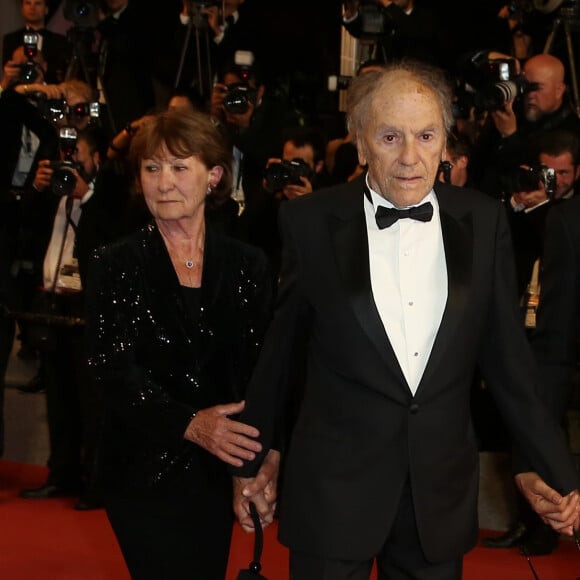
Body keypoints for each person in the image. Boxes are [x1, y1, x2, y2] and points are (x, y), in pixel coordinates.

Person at [230, 60, 580, 579]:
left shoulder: (483, 222)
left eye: (426, 135)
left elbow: (509, 364)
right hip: (333, 490)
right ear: (361, 140)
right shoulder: (309, 221)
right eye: (390, 136)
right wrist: (253, 461)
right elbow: (281, 354)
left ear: (446, 142)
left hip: (437, 495)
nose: (411, 158)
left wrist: (558, 471)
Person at [84, 108, 273, 579]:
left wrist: (254, 468)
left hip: (217, 468)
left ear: (213, 176)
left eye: (178, 167)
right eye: (151, 168)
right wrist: (190, 423)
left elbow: (260, 371)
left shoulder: (248, 264)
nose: (163, 182)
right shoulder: (115, 264)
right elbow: (110, 369)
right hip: (141, 468)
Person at [2, 0, 69, 85]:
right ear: (22, 9)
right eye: (28, 3)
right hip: (17, 93)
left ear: (46, 9)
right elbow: (7, 70)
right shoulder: (11, 39)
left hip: (50, 92)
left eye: (38, 3)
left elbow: (62, 74)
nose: (32, 8)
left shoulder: (60, 41)